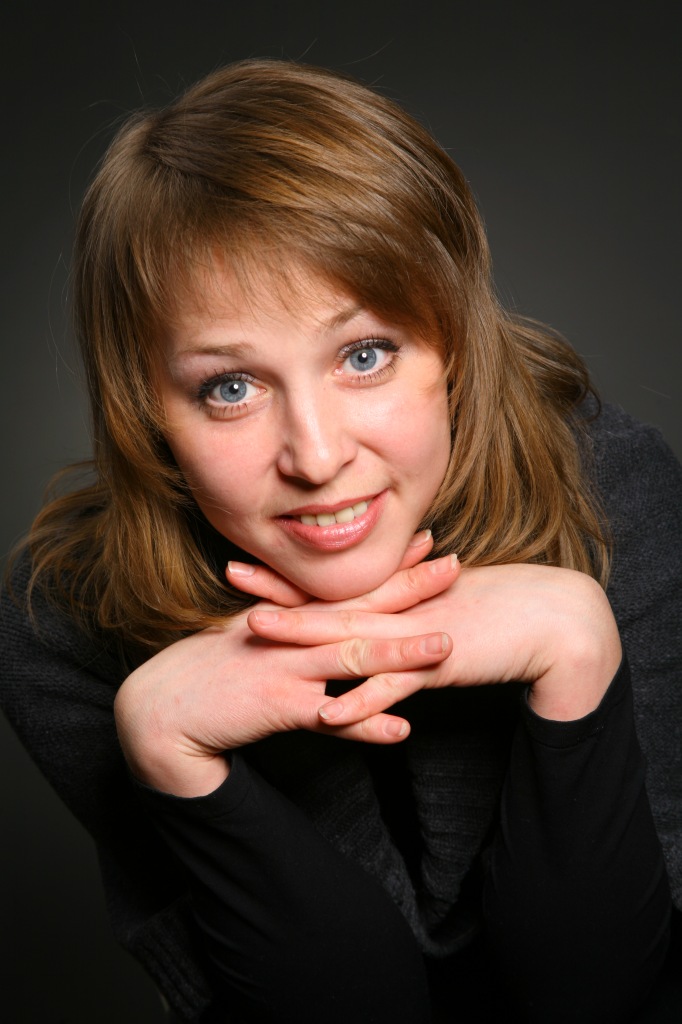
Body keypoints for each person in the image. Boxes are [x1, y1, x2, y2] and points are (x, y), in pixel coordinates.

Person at [2, 58, 681, 1023]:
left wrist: (578, 649)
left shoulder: (610, 489)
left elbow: (600, 1000)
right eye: (230, 387)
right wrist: (165, 745)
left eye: (365, 355)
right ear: (147, 411)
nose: (317, 458)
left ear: (453, 344)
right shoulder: (61, 622)